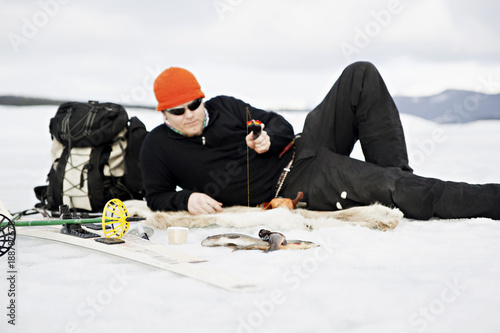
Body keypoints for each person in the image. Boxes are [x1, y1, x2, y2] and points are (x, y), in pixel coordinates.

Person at [140, 62, 500, 220]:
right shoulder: (158, 147)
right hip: (299, 182)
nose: (190, 113)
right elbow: (154, 196)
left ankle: (398, 182)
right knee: (396, 186)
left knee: (360, 74)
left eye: (195, 103)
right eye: (178, 110)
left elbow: (277, 122)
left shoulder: (225, 107)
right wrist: (186, 198)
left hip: (302, 145)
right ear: (162, 114)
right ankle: (401, 187)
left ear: (202, 97)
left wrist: (268, 137)